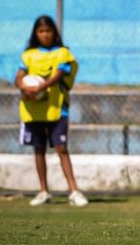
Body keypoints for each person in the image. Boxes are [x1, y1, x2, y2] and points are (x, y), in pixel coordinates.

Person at [15, 15, 87, 207]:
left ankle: (74, 191)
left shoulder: (63, 53)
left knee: (61, 149)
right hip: (35, 110)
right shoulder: (28, 55)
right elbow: (19, 76)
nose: (45, 35)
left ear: (54, 33)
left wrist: (40, 87)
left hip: (57, 108)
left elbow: (58, 75)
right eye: (41, 31)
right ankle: (43, 191)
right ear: (35, 34)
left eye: (48, 31)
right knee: (38, 149)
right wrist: (24, 87)